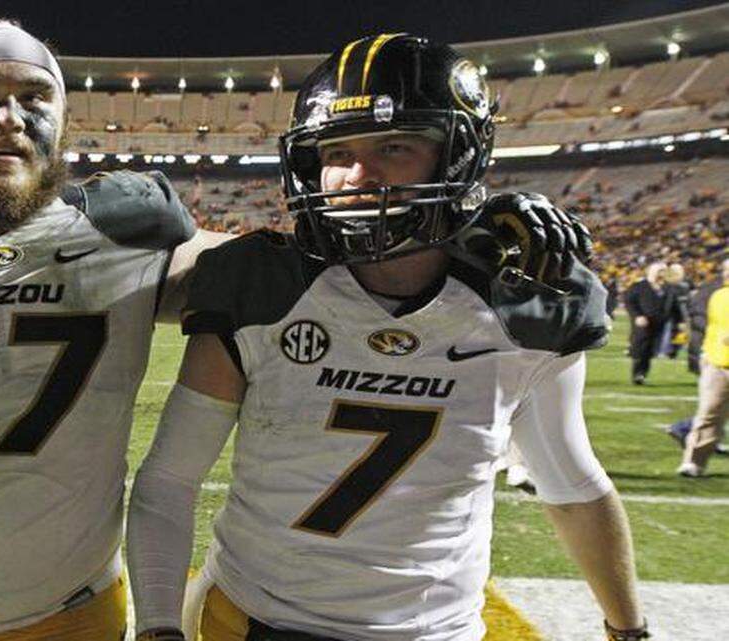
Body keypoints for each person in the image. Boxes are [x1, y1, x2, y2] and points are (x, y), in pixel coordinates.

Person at [0, 21, 593, 641]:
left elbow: (308, 262)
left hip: (73, 615)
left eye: (34, 100)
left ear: (67, 123)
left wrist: (465, 216)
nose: (6, 117)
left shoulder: (130, 238)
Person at [127, 35, 645, 641]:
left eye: (394, 147)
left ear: (458, 155)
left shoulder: (526, 297)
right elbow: (169, 479)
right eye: (336, 150)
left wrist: (628, 629)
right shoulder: (260, 285)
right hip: (251, 619)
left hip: (434, 631)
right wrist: (159, 628)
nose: (357, 176)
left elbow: (573, 485)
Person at [678, 257, 729, 478]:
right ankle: (693, 462)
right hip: (717, 363)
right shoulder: (718, 296)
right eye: (726, 270)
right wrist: (707, 354)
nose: (726, 274)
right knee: (708, 414)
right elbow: (713, 327)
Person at [624, 261, 683, 384]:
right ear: (651, 272)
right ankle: (638, 375)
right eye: (660, 270)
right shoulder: (639, 286)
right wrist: (637, 315)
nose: (662, 273)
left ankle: (642, 374)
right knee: (641, 348)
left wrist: (680, 321)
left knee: (651, 350)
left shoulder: (668, 287)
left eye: (664, 270)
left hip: (661, 323)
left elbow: (675, 306)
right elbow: (629, 301)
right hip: (644, 323)